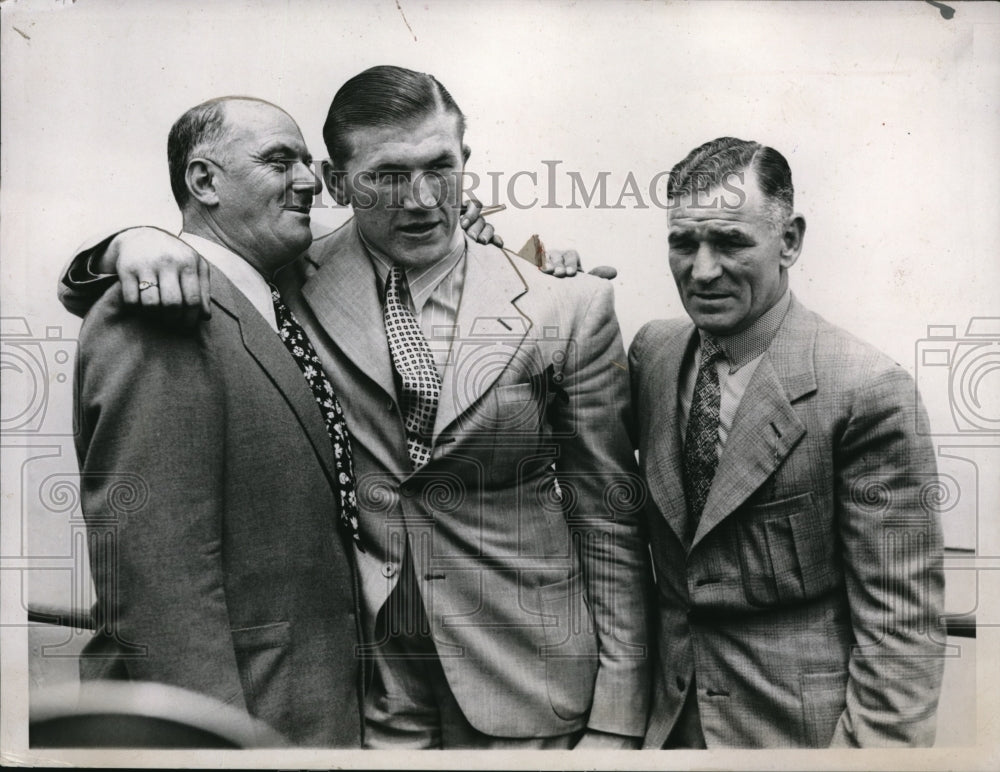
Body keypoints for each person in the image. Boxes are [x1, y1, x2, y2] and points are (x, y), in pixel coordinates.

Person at [59, 66, 651, 749]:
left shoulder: (562, 303)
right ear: (337, 184)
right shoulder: (288, 278)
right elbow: (174, 277)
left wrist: (617, 714)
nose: (423, 198)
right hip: (362, 698)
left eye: (441, 167)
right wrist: (128, 241)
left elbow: (609, 518)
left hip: (533, 683)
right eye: (387, 176)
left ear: (467, 162)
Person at [629, 136, 946, 748]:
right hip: (662, 728)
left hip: (796, 739)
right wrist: (513, 266)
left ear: (790, 241)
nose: (701, 270)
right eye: (683, 242)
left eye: (730, 242)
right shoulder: (653, 353)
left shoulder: (866, 389)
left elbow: (902, 632)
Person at [71, 96, 365, 746]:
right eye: (279, 161)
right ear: (204, 181)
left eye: (308, 163)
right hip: (237, 724)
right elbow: (157, 583)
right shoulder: (157, 309)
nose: (311, 181)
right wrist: (215, 750)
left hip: (312, 713)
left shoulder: (275, 301)